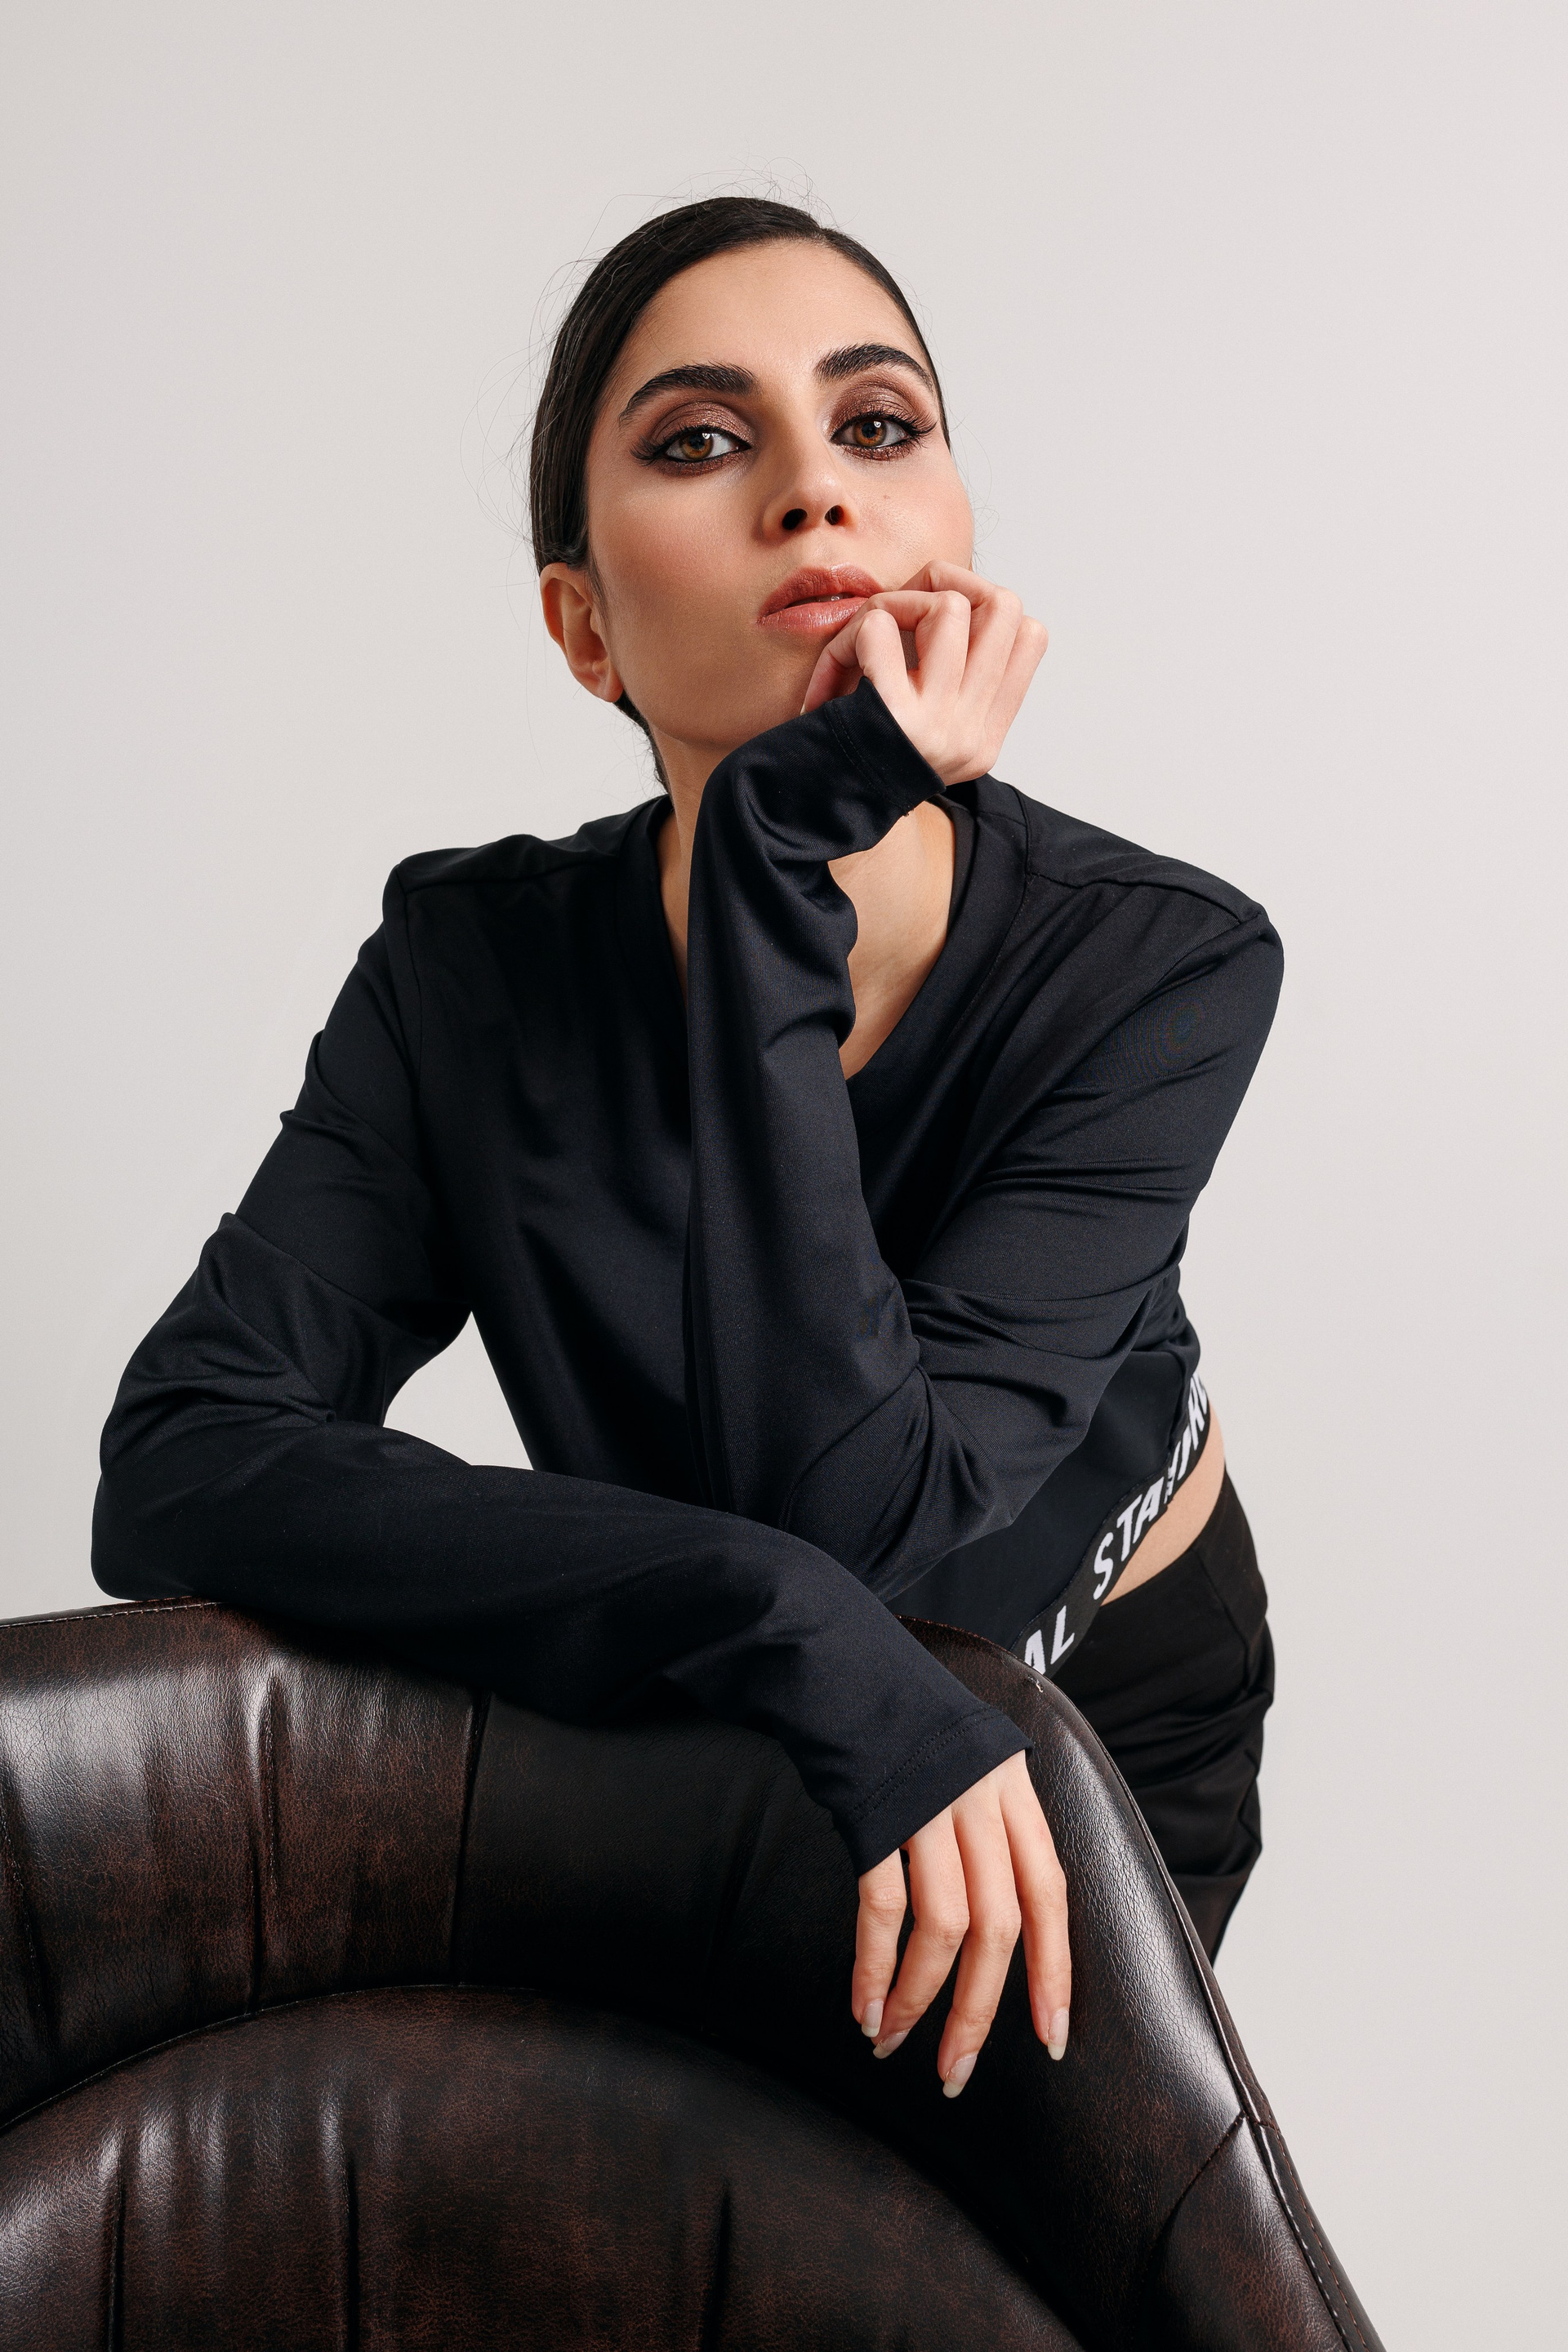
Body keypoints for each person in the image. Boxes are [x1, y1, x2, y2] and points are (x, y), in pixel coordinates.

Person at [93, 197, 1281, 2100]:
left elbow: (874, 1535)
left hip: (1086, 1721)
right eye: (703, 441)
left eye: (877, 426)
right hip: (748, 1681)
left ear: (957, 530)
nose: (815, 491)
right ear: (584, 628)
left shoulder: (1158, 968)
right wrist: (755, 1605)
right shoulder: (470, 975)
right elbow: (182, 1462)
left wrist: (768, 856)